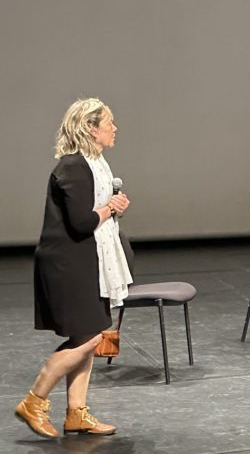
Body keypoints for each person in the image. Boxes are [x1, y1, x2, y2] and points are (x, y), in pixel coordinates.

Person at [16, 98, 132, 439]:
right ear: (91, 128)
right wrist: (111, 206)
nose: (115, 128)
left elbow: (93, 213)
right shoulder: (73, 167)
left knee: (87, 334)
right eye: (109, 123)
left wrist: (114, 207)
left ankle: (76, 413)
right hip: (69, 263)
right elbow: (81, 222)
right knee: (92, 335)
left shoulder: (96, 164)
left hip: (86, 260)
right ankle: (34, 400)